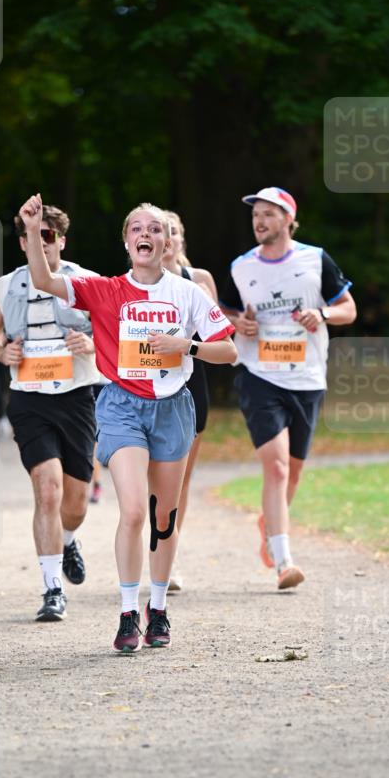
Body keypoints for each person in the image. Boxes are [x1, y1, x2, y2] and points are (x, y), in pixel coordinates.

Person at [18, 193, 237, 652]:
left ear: (167, 243)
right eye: (137, 228)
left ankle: (158, 608)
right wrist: (35, 232)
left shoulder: (187, 293)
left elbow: (229, 351)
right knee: (134, 510)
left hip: (173, 407)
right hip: (121, 406)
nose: (146, 234)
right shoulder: (105, 290)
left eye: (155, 229)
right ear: (126, 241)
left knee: (164, 516)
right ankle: (127, 613)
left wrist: (186, 346)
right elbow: (43, 279)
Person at [220, 186, 356, 589]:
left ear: (288, 219)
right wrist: (237, 324)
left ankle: (270, 525)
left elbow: (349, 309)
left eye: (268, 214)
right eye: (255, 215)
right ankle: (284, 562)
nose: (259, 221)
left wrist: (322, 313)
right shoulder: (242, 267)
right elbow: (224, 311)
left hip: (308, 377)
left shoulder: (315, 259)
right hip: (259, 375)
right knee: (276, 466)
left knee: (293, 472)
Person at [0, 205, 100, 623]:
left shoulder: (86, 281)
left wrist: (92, 345)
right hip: (29, 398)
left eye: (49, 235)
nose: (42, 242)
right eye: (34, 235)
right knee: (47, 491)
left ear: (62, 240)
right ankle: (52, 590)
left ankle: (68, 539)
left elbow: (114, 333)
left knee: (76, 503)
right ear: (22, 242)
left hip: (77, 396)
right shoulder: (6, 286)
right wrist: (1, 353)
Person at [162, 210, 219, 592]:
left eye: (172, 232)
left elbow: (218, 337)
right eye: (158, 231)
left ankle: (169, 558)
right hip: (145, 386)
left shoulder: (198, 280)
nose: (166, 238)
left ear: (181, 239)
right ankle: (154, 547)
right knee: (152, 480)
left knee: (179, 480)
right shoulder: (132, 283)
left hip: (190, 385)